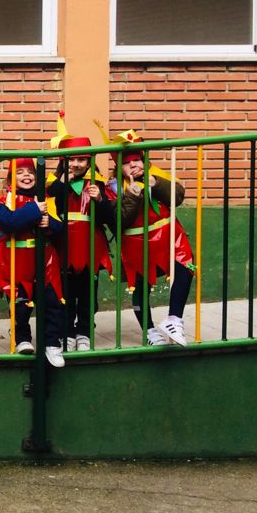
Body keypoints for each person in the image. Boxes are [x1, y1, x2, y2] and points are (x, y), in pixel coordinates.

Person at [99, 124, 195, 347]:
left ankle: (174, 319)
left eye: (137, 160)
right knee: (141, 286)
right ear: (118, 167)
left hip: (168, 237)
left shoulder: (156, 175)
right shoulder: (113, 188)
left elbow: (177, 197)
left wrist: (156, 184)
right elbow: (119, 221)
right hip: (136, 244)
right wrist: (132, 196)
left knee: (186, 268)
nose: (133, 165)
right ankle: (150, 331)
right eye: (126, 162)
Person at [47, 114, 116, 352]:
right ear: (63, 161)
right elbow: (48, 202)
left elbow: (108, 219)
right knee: (65, 291)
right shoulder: (54, 183)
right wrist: (61, 183)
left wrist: (101, 200)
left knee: (87, 292)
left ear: (89, 163)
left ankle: (85, 331)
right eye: (71, 159)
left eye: (81, 160)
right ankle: (67, 333)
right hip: (63, 245)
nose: (76, 164)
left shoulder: (98, 183)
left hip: (90, 246)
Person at [0, 158, 67, 368]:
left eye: (30, 172)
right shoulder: (2, 202)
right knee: (20, 305)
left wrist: (49, 222)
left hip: (45, 262)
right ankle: (22, 338)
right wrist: (34, 210)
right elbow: (9, 223)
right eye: (20, 172)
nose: (26, 175)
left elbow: (61, 229)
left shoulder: (47, 200)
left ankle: (52, 343)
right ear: (9, 180)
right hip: (16, 263)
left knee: (52, 303)